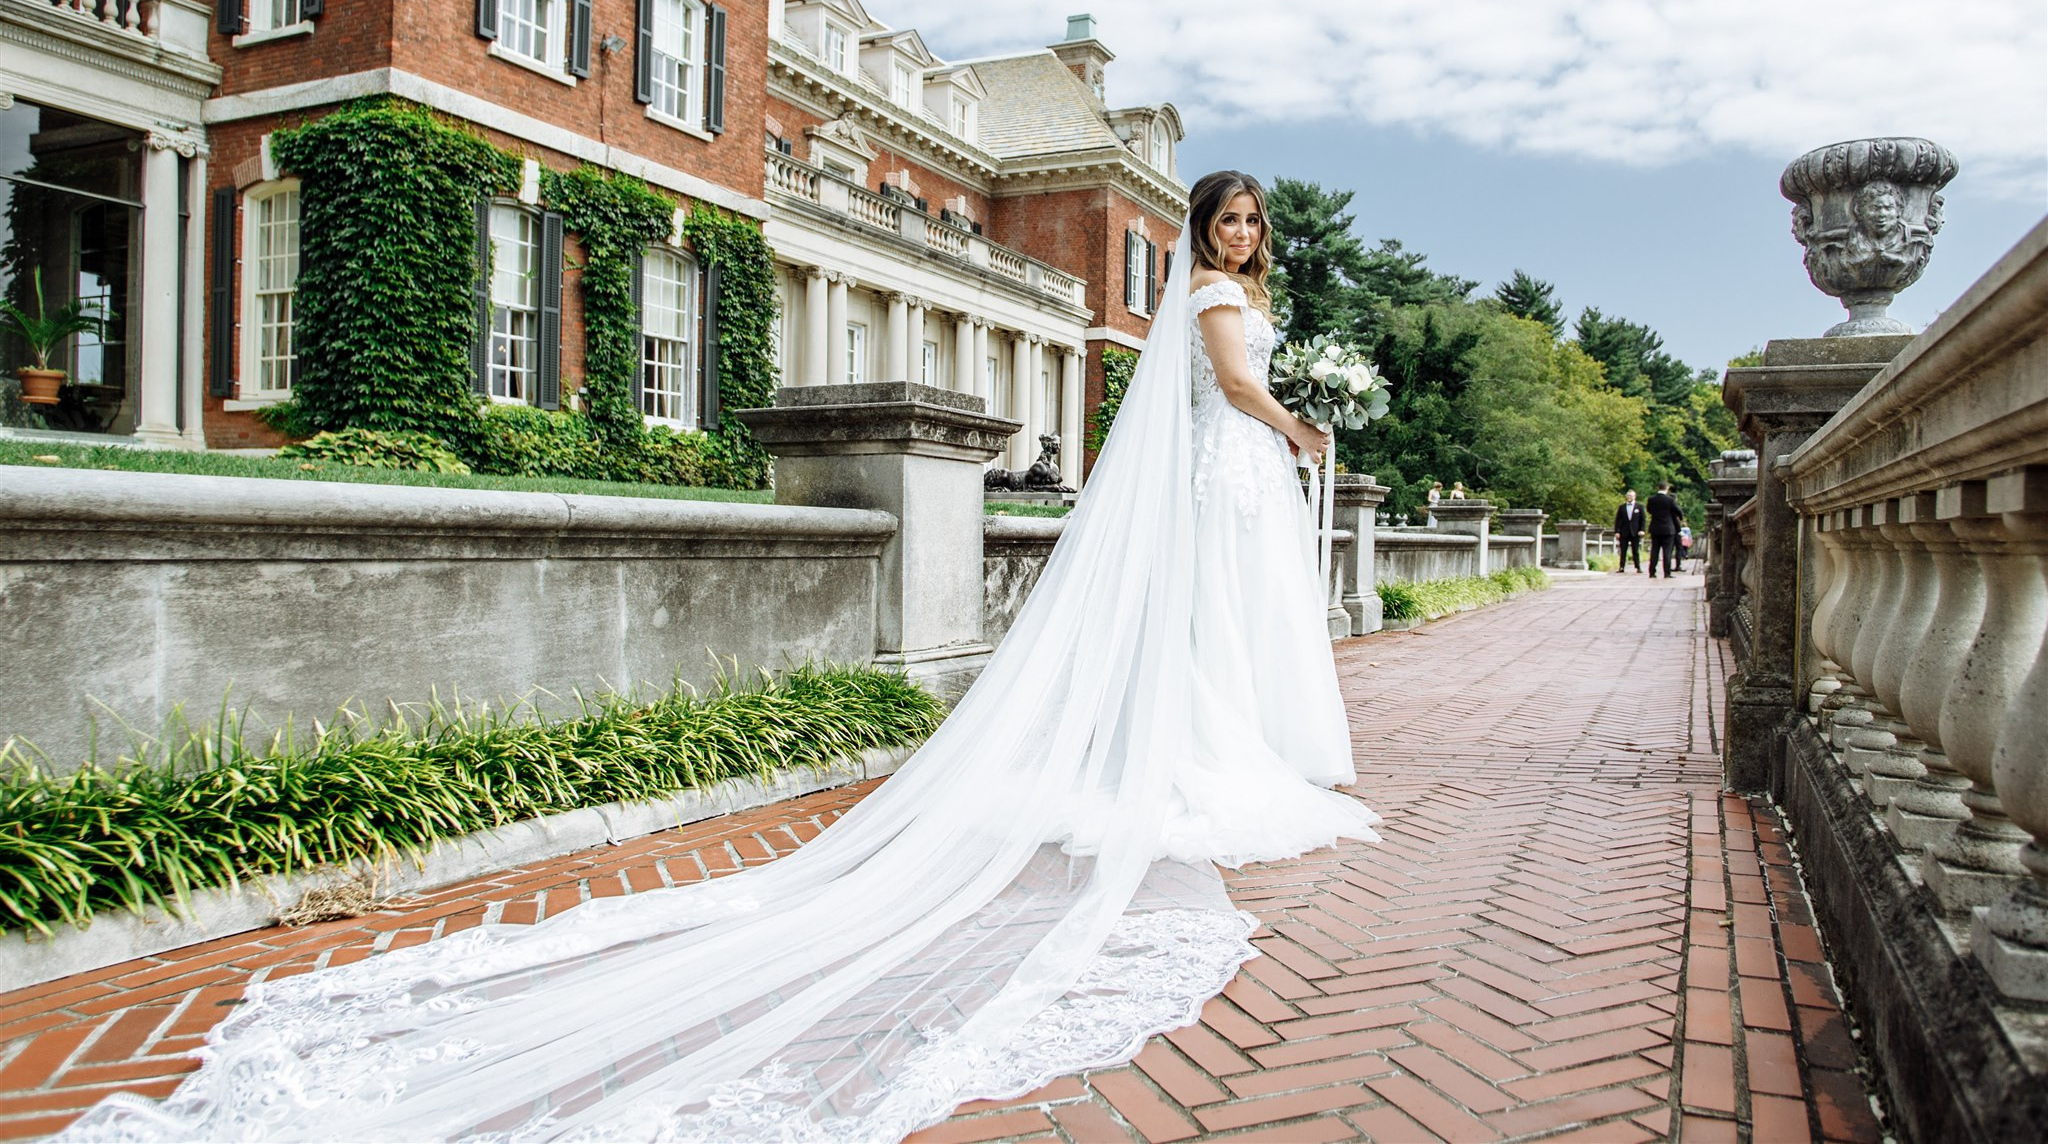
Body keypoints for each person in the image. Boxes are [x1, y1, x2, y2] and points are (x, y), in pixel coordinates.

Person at [66, 172, 1380, 1143]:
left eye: (1252, 225)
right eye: (1228, 220)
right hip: (1237, 467)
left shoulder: (1237, 289)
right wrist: (1304, 425)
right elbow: (1239, 389)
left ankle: (1224, 742)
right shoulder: (1211, 300)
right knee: (1206, 624)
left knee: (1216, 625)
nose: (1239, 239)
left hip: (1233, 478)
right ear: (1202, 233)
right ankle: (1209, 752)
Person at [1648, 481, 1685, 578]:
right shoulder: (1670, 500)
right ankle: (1667, 573)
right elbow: (1678, 511)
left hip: (1655, 528)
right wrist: (1680, 517)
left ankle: (1652, 572)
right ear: (1667, 488)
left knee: (1654, 551)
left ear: (1658, 488)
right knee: (1667, 552)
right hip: (1668, 528)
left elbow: (1649, 510)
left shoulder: (1651, 499)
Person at [1614, 488, 1646, 573]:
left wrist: (1642, 530)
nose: (1629, 497)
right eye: (1628, 495)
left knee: (1635, 550)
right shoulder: (1622, 507)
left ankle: (1638, 567)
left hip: (1635, 532)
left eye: (1631, 495)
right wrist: (1617, 531)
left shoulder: (1639, 507)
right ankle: (1621, 567)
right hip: (1624, 531)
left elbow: (1643, 520)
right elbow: (1618, 520)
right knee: (1623, 550)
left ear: (1635, 496)